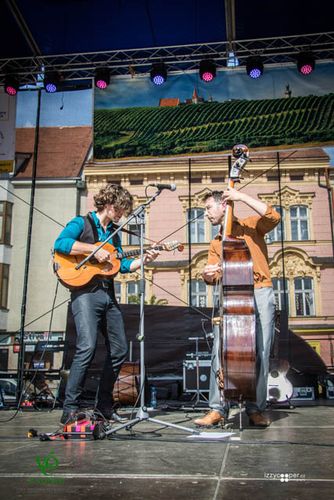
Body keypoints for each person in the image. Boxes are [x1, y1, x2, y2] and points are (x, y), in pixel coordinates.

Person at [54, 183, 159, 425]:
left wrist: (144, 259)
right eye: (121, 209)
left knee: (120, 349)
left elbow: (120, 265)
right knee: (87, 347)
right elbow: (60, 244)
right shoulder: (81, 223)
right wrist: (93, 249)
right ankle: (70, 408)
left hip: (108, 294)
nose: (123, 214)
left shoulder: (114, 233)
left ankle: (103, 407)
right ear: (110, 205)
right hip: (85, 294)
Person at [194, 187, 280, 428]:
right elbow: (211, 276)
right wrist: (208, 273)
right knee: (220, 351)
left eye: (208, 208)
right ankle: (217, 408)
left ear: (224, 205)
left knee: (261, 352)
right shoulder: (216, 242)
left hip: (260, 290)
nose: (206, 214)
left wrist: (240, 196)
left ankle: (255, 409)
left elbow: (274, 217)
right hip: (230, 296)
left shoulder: (252, 226)